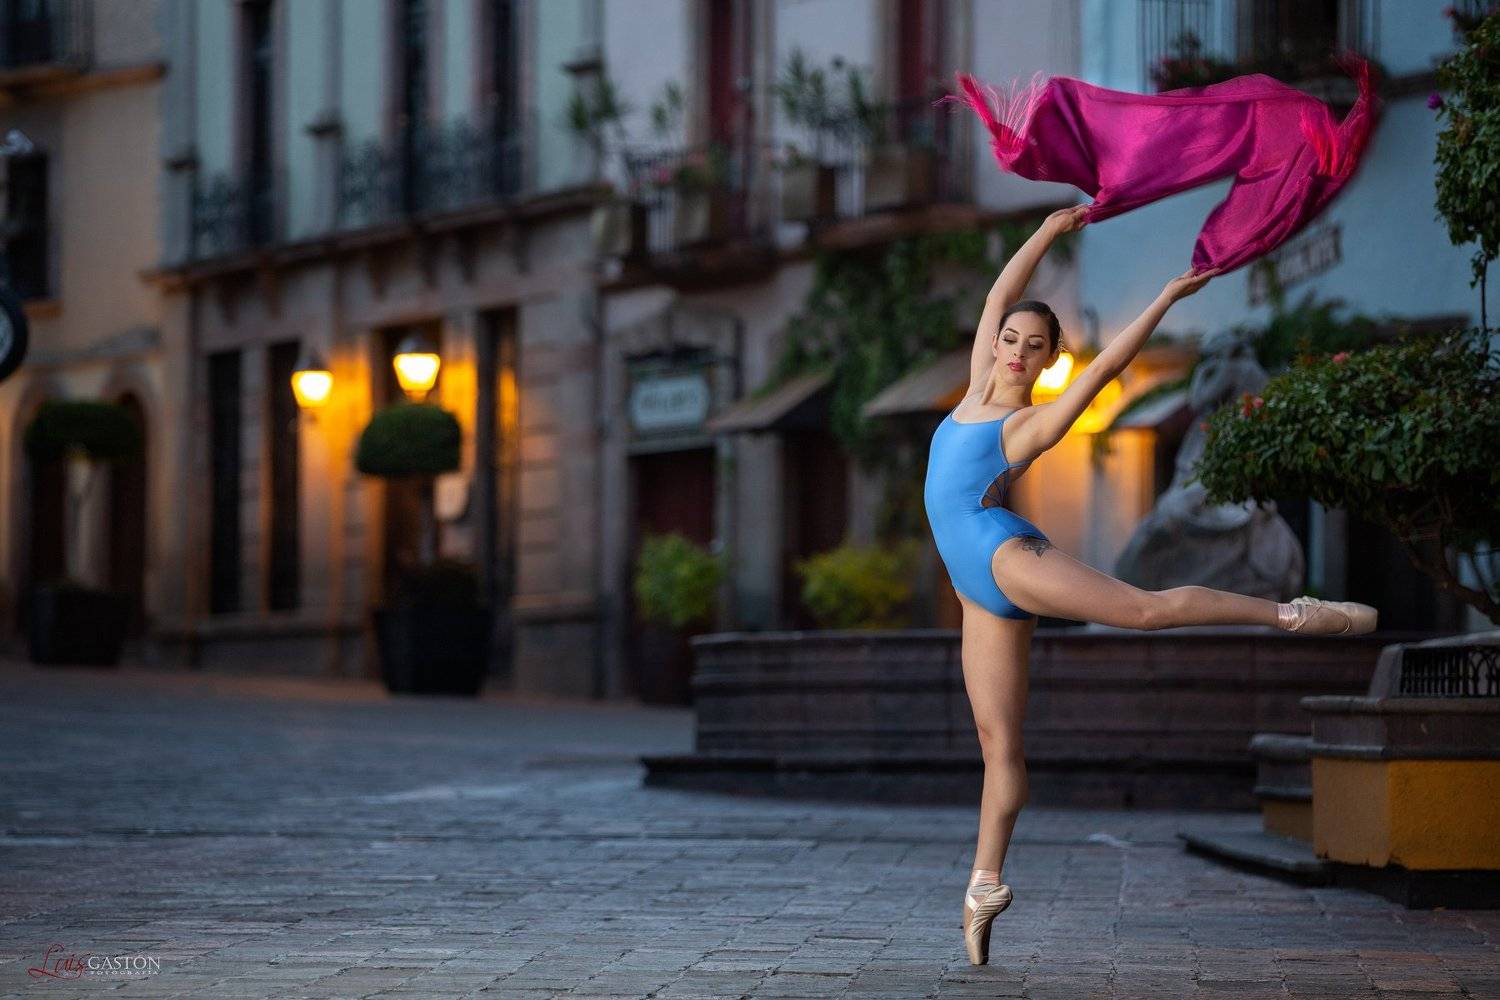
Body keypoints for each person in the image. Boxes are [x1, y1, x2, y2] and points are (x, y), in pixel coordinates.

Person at [924, 205, 1378, 966]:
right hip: (975, 591)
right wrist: (1048, 230)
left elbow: (1102, 371)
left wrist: (1165, 299)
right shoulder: (974, 383)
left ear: (1043, 363)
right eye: (1011, 340)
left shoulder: (1025, 427)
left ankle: (1296, 614)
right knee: (1000, 747)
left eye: (1034, 348)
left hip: (1002, 557)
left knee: (1142, 610)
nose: (1015, 352)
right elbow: (1000, 293)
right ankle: (983, 885)